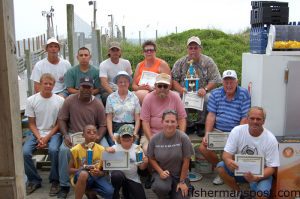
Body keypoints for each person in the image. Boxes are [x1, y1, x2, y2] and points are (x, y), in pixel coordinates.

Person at [57, 76, 108, 198]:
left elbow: (103, 124)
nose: (86, 89)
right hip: (74, 135)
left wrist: (98, 137)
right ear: (79, 87)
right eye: (83, 87)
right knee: (64, 151)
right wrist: (65, 135)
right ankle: (64, 186)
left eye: (88, 87)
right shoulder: (70, 100)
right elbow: (61, 119)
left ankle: (103, 181)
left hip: (92, 135)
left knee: (106, 150)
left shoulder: (97, 103)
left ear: (92, 88)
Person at [199, 69, 251, 185]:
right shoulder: (215, 93)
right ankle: (221, 170)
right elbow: (211, 115)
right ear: (222, 82)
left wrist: (237, 134)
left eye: (231, 82)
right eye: (226, 82)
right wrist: (207, 134)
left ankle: (226, 172)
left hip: (236, 130)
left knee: (231, 150)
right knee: (203, 148)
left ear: (237, 82)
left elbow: (244, 118)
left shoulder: (244, 94)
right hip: (218, 130)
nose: (229, 85)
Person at [216, 107, 280, 199]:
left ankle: (257, 189)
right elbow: (226, 154)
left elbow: (272, 168)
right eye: (252, 118)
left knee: (261, 196)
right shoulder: (237, 131)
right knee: (221, 166)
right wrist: (228, 161)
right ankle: (239, 194)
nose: (255, 121)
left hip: (261, 174)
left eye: (258, 119)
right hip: (240, 171)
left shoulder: (270, 139)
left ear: (263, 121)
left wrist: (256, 178)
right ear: (247, 119)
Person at [23, 73, 64, 196]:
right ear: (40, 84)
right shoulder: (31, 100)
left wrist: (46, 138)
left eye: (50, 84)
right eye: (45, 83)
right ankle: (34, 180)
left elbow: (58, 124)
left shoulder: (60, 100)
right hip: (36, 133)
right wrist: (40, 137)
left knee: (53, 150)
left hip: (54, 133)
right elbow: (31, 123)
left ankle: (55, 180)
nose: (47, 86)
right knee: (24, 152)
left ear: (54, 85)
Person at [171, 36, 222, 131]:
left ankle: (201, 124)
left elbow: (215, 79)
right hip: (185, 92)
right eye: (191, 48)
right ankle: (187, 124)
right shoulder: (180, 62)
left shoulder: (208, 61)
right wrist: (181, 90)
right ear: (187, 49)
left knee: (208, 97)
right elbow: (173, 80)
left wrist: (205, 89)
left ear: (200, 48)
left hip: (202, 92)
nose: (193, 50)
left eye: (196, 48)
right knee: (176, 96)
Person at [147, 110, 194, 199]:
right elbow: (151, 158)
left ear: (177, 123)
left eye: (173, 121)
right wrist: (160, 172)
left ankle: (183, 187)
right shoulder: (154, 139)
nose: (169, 124)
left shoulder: (183, 138)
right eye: (167, 121)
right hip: (163, 174)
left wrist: (182, 181)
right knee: (160, 188)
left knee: (182, 197)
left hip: (179, 175)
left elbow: (186, 161)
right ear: (162, 122)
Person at [140, 73, 187, 153]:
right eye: (159, 86)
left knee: (181, 149)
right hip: (152, 134)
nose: (162, 88)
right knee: (147, 149)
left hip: (172, 134)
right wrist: (152, 140)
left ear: (169, 87)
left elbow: (182, 118)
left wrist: (181, 137)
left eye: (165, 86)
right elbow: (145, 122)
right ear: (155, 86)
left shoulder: (175, 97)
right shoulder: (148, 98)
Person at [69, 124, 114, 199]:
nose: (92, 134)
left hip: (96, 177)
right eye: (89, 132)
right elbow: (69, 170)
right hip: (80, 177)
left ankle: (90, 192)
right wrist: (81, 168)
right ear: (83, 135)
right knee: (83, 174)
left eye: (94, 132)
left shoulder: (101, 149)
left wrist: (99, 173)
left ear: (97, 135)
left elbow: (104, 171)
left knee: (109, 192)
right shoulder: (76, 149)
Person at [106, 124, 148, 199]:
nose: (126, 138)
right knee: (116, 175)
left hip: (132, 178)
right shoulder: (114, 148)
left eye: (129, 136)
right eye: (124, 136)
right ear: (119, 138)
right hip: (118, 178)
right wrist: (106, 150)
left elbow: (141, 168)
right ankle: (117, 192)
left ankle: (125, 191)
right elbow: (105, 162)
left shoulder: (137, 149)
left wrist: (145, 162)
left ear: (133, 137)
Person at [106, 71, 140, 145]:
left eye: (125, 81)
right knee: (115, 149)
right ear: (117, 83)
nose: (123, 84)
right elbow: (109, 118)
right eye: (120, 82)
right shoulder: (111, 97)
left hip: (131, 128)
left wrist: (135, 133)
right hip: (116, 128)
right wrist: (111, 135)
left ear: (128, 83)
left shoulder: (134, 97)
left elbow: (137, 119)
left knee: (133, 149)